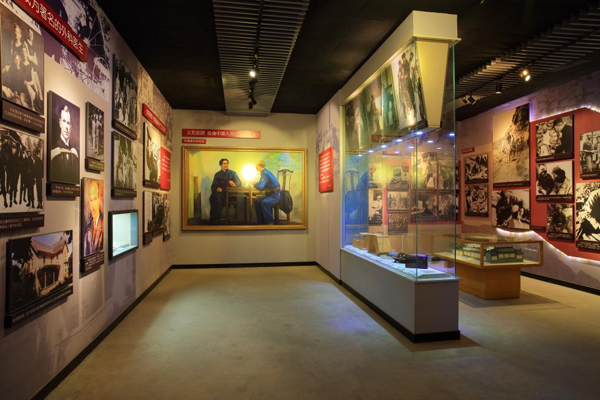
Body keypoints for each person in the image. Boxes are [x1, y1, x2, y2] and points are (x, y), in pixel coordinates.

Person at [50, 104, 79, 184]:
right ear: (60, 123)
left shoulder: (75, 153)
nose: (66, 127)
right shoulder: (53, 150)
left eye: (68, 123)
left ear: (71, 127)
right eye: (64, 121)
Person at [209, 158, 241, 224]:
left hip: (230, 194)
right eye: (224, 164)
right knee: (213, 197)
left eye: (227, 163)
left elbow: (239, 183)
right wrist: (216, 189)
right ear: (220, 165)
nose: (226, 165)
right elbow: (213, 186)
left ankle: (216, 217)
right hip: (220, 193)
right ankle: (214, 218)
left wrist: (234, 184)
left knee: (217, 197)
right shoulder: (217, 174)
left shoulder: (233, 173)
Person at [252, 160, 281, 225]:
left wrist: (255, 184)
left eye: (257, 166)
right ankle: (261, 223)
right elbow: (263, 184)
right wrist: (258, 183)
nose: (256, 167)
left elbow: (260, 187)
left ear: (260, 166)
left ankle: (270, 223)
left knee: (264, 203)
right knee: (257, 201)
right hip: (272, 194)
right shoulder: (266, 172)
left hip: (275, 195)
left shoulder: (264, 173)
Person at [83, 180, 103, 256]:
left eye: (95, 199)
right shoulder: (88, 227)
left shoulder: (104, 223)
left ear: (99, 199)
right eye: (91, 200)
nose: (93, 206)